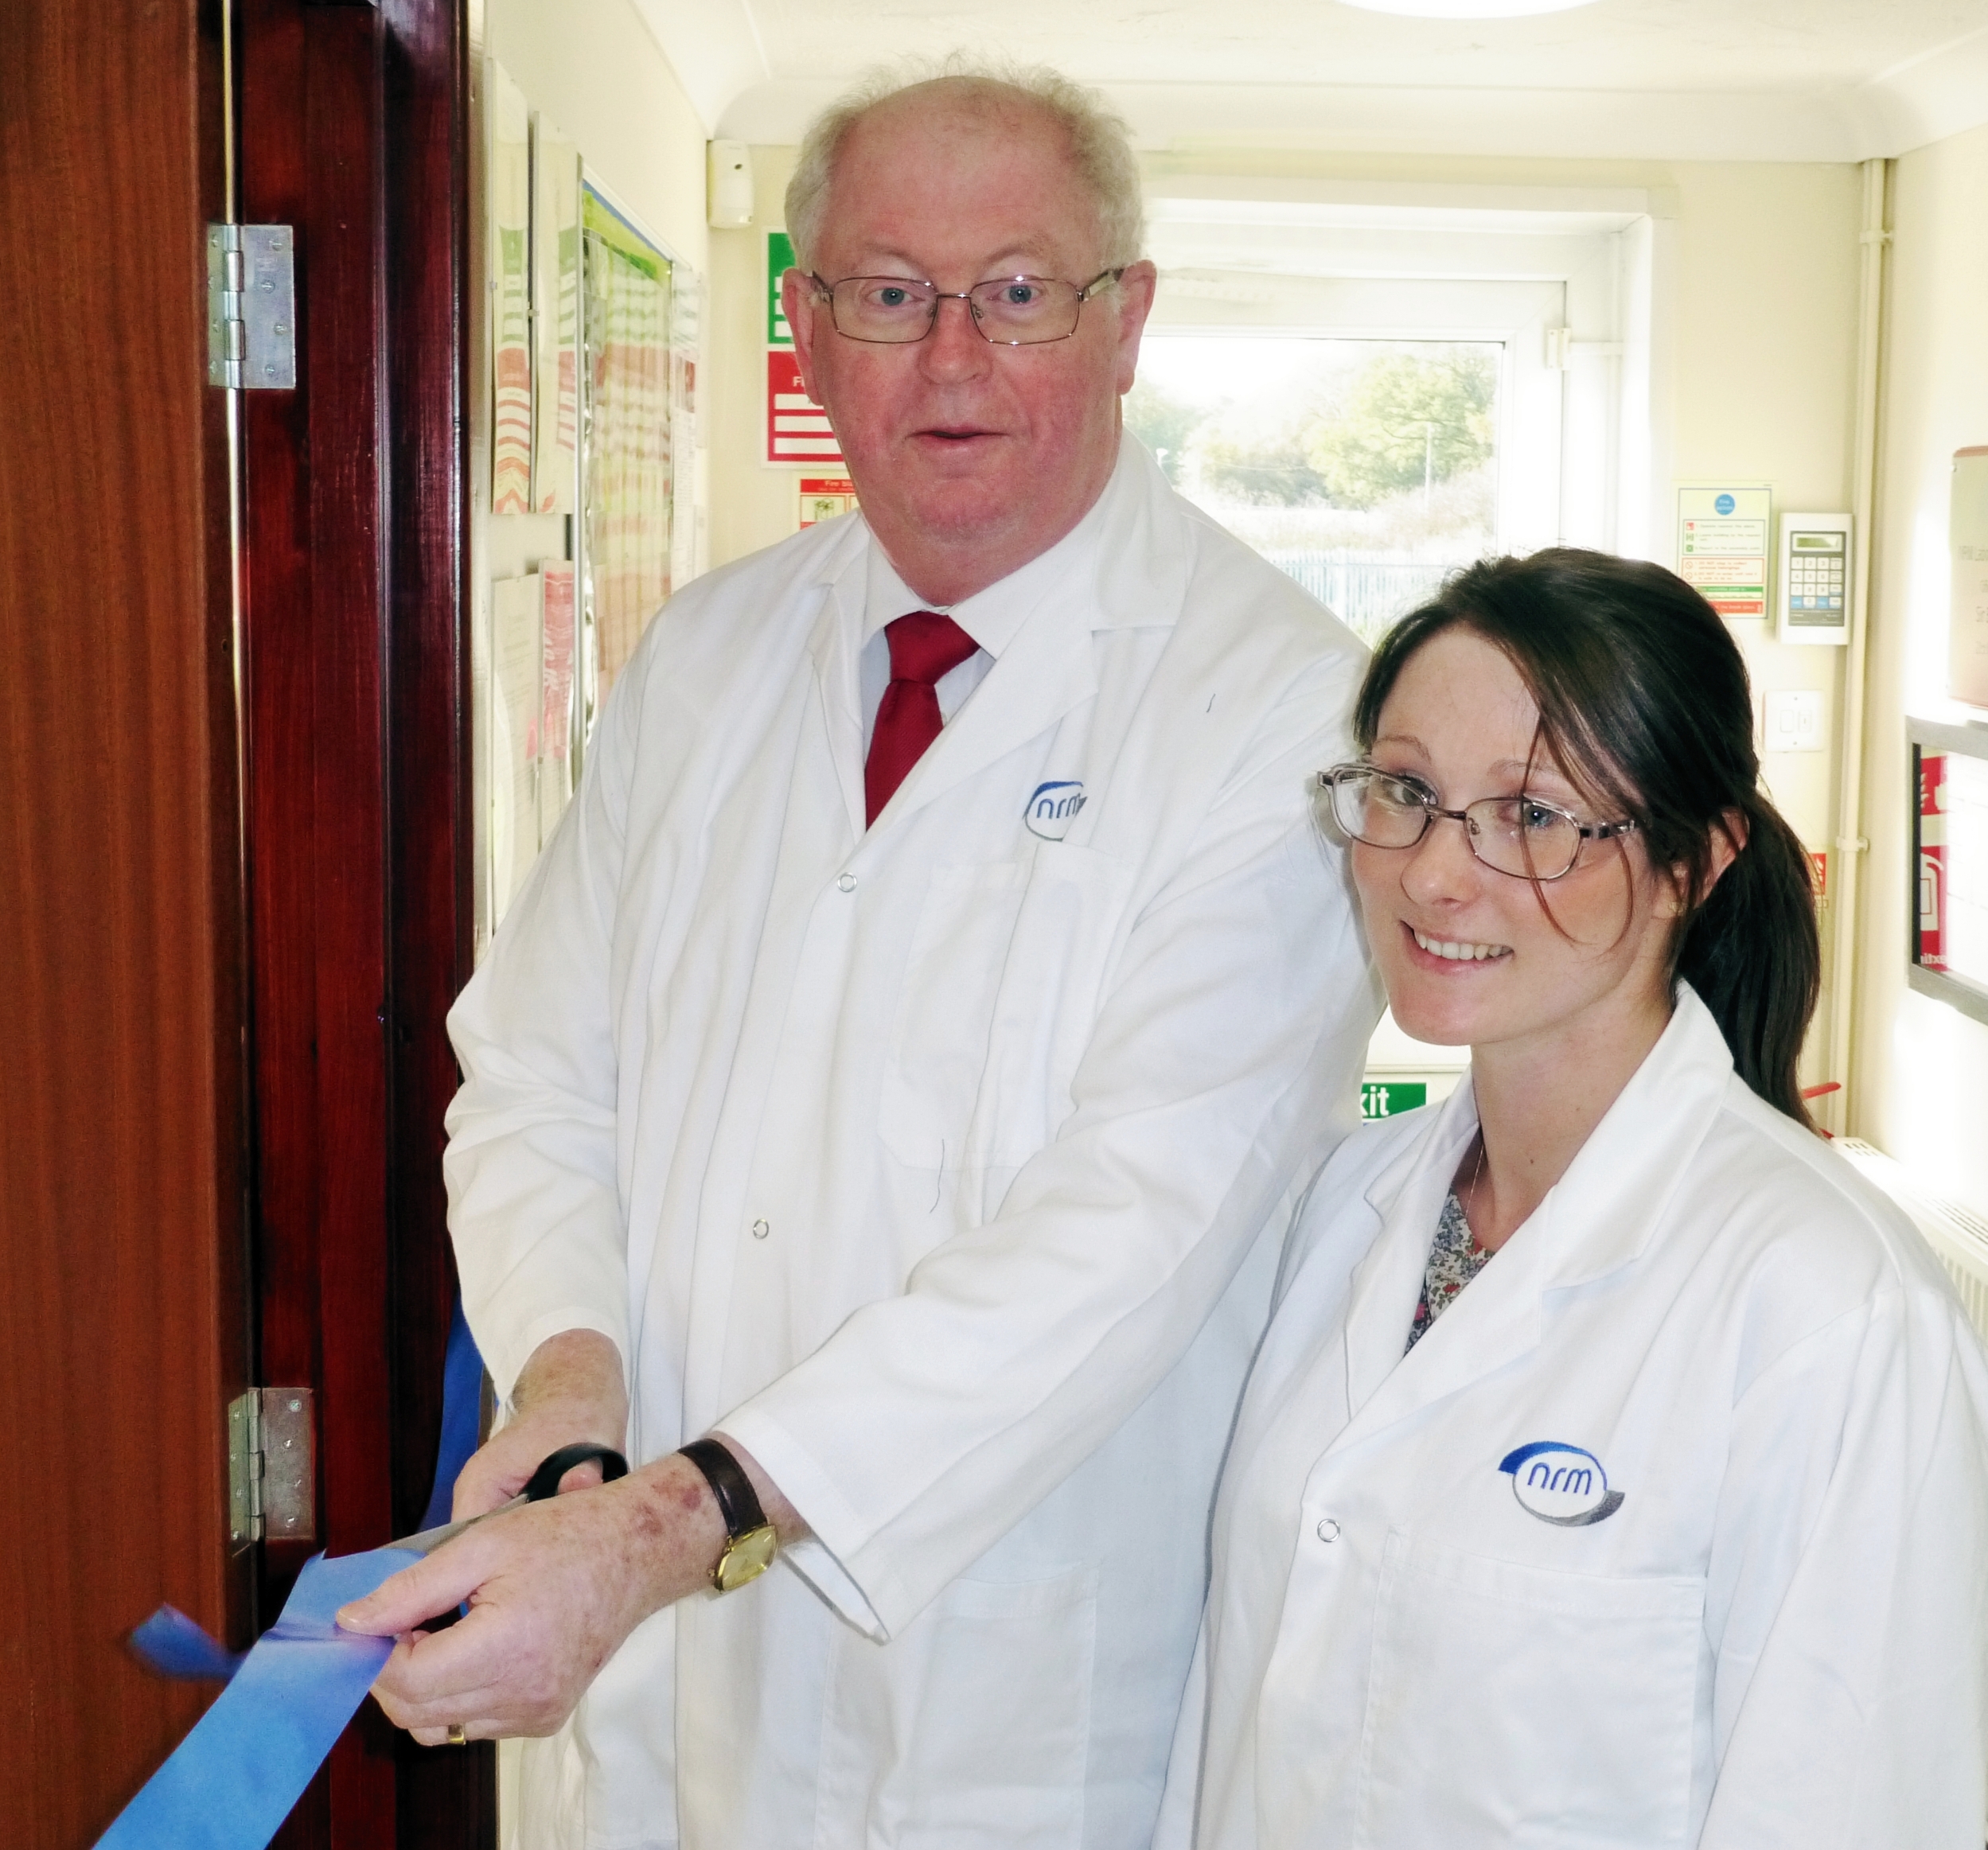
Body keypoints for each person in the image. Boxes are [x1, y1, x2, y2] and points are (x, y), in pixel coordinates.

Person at [340, 58, 1380, 1850]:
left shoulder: (1281, 702)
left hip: (1018, 1689)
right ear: (809, 333)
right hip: (662, 1670)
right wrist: (574, 1372)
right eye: (890, 295)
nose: (953, 356)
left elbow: (1126, 1238)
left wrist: (667, 1523)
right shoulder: (709, 655)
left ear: (1126, 324)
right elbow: (535, 1069)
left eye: (1021, 291)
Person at [1159, 547, 1988, 1849]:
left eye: (1532, 816)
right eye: (1406, 790)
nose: (1434, 874)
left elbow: (1859, 1799)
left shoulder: (1828, 1310)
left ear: (1692, 862)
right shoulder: (1346, 1208)